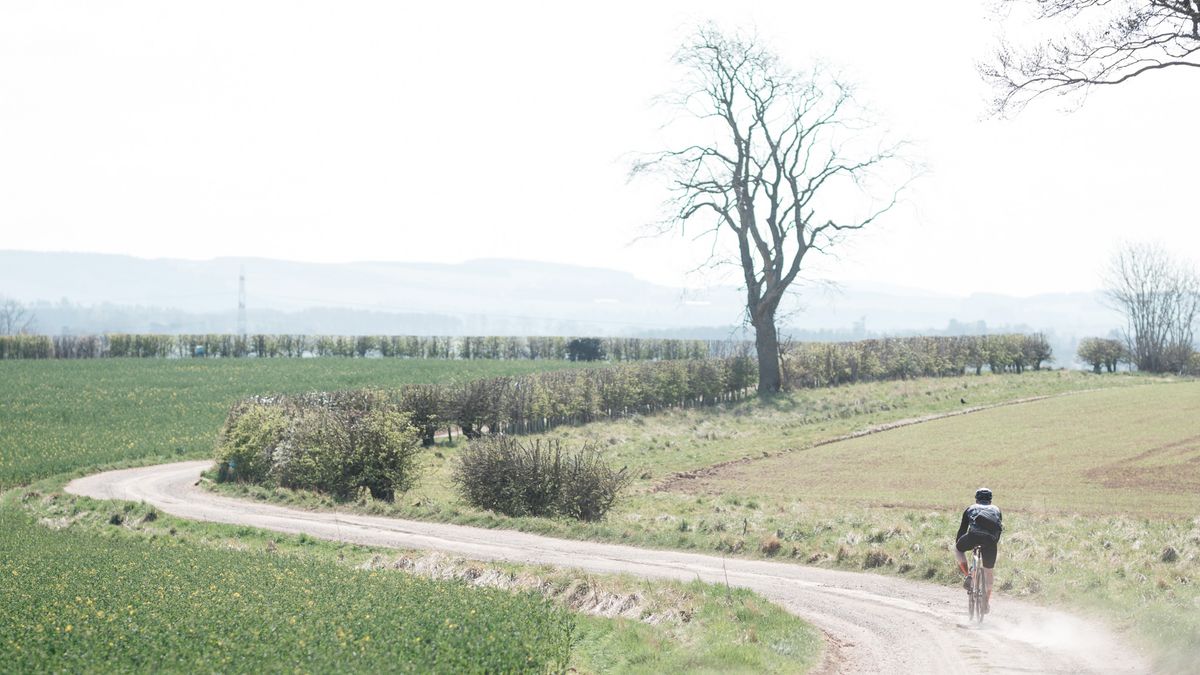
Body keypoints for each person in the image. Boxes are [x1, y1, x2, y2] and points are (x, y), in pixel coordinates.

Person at [954, 487, 1003, 610]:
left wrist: (959, 543)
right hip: (990, 541)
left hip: (973, 536)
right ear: (990, 500)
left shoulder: (971, 508)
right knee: (989, 572)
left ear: (976, 498)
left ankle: (968, 575)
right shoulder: (996, 509)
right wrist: (993, 544)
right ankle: (985, 602)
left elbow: (962, 530)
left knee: (958, 549)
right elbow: (998, 529)